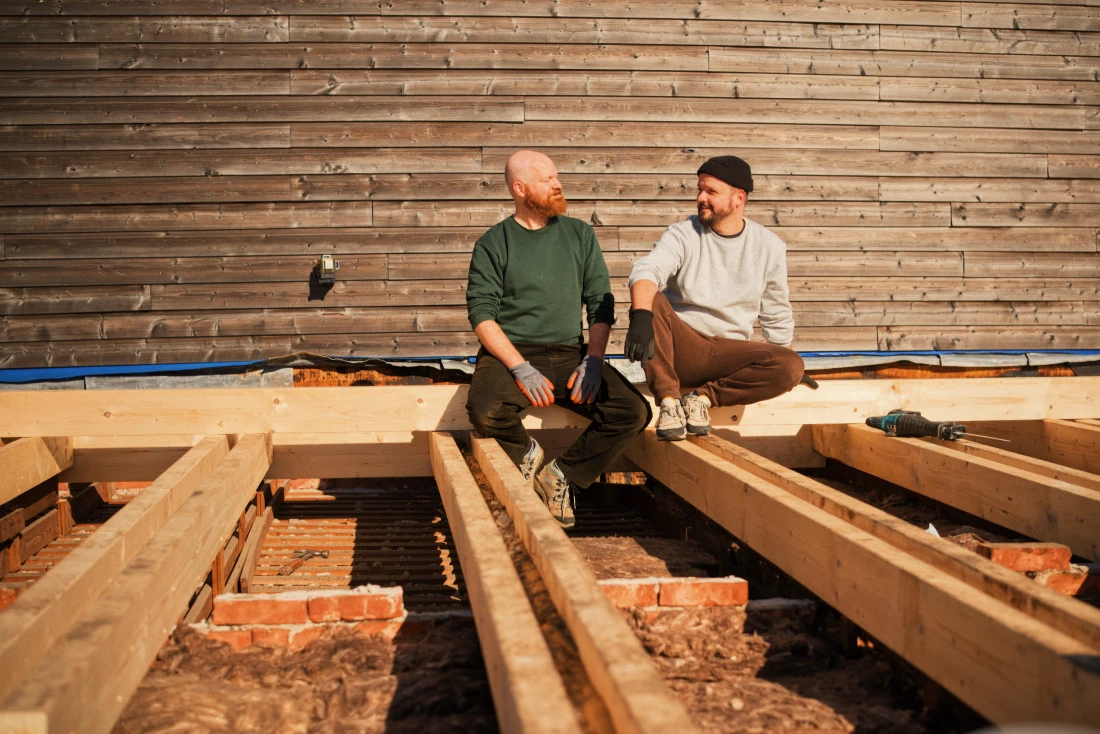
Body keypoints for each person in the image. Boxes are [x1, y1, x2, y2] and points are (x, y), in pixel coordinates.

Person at [465, 150, 651, 527]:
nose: (558, 184)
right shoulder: (494, 242)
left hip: (570, 353)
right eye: (547, 179)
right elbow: (481, 315)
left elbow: (601, 302)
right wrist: (519, 367)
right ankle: (525, 455)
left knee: (632, 412)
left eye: (556, 177)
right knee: (483, 409)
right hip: (512, 355)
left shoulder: (579, 235)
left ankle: (560, 477)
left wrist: (594, 360)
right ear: (520, 189)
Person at [623, 154, 804, 441]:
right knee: (651, 299)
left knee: (792, 364)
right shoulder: (683, 234)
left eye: (711, 191)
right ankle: (669, 403)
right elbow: (648, 268)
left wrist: (783, 365)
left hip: (729, 355)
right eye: (700, 189)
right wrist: (642, 316)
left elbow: (776, 311)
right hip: (684, 346)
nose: (701, 198)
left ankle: (701, 400)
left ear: (738, 198)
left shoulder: (768, 246)